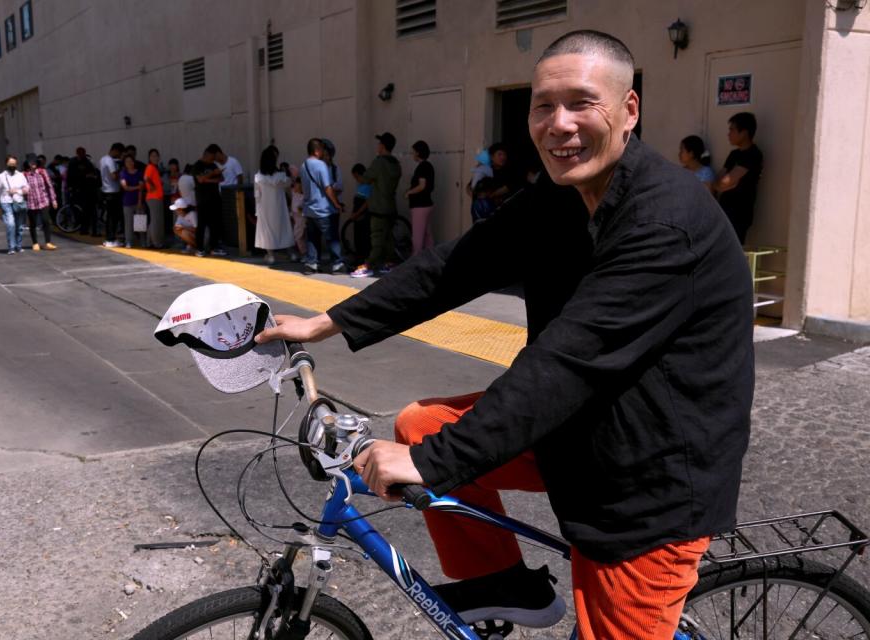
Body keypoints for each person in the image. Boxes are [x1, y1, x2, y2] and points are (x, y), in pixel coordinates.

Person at [256, 30, 753, 640]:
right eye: (544, 105)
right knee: (419, 423)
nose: (559, 124)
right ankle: (507, 584)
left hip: (647, 479)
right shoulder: (565, 197)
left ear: (628, 111)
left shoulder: (663, 221)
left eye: (581, 103)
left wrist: (428, 464)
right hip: (583, 429)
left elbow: (565, 365)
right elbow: (456, 265)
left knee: (432, 451)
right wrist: (327, 322)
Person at [350, 132, 402, 278]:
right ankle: (390, 263)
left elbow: (366, 178)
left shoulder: (379, 162)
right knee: (388, 238)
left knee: (377, 238)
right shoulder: (396, 163)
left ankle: (368, 266)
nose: (377, 146)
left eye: (379, 144)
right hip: (391, 206)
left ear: (383, 146)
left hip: (378, 206)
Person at [715, 112, 763, 245]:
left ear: (744, 132)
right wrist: (722, 184)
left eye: (732, 130)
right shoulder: (734, 154)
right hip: (723, 210)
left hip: (739, 214)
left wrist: (724, 184)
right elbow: (718, 181)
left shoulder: (753, 154)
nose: (728, 134)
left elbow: (726, 181)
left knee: (731, 253)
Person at [299, 138, 345, 274]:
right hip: (323, 209)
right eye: (321, 149)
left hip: (309, 209)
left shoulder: (303, 165)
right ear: (317, 150)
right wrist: (337, 204)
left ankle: (311, 264)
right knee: (332, 238)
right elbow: (327, 188)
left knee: (312, 238)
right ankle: (337, 264)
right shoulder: (320, 165)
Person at [253, 147, 295, 264]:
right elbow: (289, 184)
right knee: (285, 228)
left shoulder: (258, 177)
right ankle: (291, 253)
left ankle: (270, 255)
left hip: (264, 208)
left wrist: (257, 211)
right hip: (280, 207)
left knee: (267, 231)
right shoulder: (281, 176)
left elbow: (257, 195)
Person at [192, 145, 229, 257]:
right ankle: (199, 248)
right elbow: (200, 179)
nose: (213, 160)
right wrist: (212, 174)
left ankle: (214, 247)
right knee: (201, 224)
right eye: (212, 157)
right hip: (203, 199)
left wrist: (208, 179)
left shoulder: (213, 165)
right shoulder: (197, 166)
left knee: (215, 224)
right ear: (207, 154)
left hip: (215, 198)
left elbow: (221, 179)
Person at [0, 155, 30, 255]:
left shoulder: (20, 175)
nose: (12, 165)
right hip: (6, 202)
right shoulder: (1, 176)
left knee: (20, 226)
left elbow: (27, 189)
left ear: (16, 164)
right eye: (10, 164)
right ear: (6, 164)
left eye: (14, 164)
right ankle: (11, 247)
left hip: (19, 202)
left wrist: (17, 191)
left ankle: (18, 246)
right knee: (11, 224)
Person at [405, 140, 435, 256]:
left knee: (417, 237)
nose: (412, 155)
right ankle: (431, 259)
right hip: (427, 204)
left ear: (418, 153)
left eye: (413, 152)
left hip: (420, 206)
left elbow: (422, 185)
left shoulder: (422, 167)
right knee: (427, 235)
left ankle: (415, 262)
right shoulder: (428, 166)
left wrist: (409, 192)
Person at [24, 156, 58, 251]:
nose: (33, 163)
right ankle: (35, 243)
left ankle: (48, 242)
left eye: (34, 162)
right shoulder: (25, 174)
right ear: (28, 164)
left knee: (45, 221)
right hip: (31, 202)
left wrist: (53, 200)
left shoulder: (42, 172)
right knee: (33, 223)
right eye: (31, 162)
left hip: (43, 201)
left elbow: (49, 186)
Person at [67, 147, 100, 236]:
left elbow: (93, 174)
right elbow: (70, 176)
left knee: (89, 211)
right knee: (82, 211)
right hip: (79, 190)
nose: (81, 155)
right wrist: (70, 186)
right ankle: (84, 229)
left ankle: (90, 230)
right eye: (80, 153)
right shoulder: (73, 162)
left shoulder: (88, 162)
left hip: (88, 189)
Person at [100, 143, 125, 247]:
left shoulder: (103, 159)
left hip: (106, 191)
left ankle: (109, 238)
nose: (119, 156)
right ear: (115, 150)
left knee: (110, 217)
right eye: (119, 153)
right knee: (112, 217)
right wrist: (121, 171)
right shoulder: (110, 160)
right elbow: (114, 176)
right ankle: (111, 239)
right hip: (112, 192)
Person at [118, 154, 144, 248]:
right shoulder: (123, 173)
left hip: (138, 201)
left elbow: (142, 188)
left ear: (134, 162)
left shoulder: (139, 172)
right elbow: (125, 187)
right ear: (125, 163)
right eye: (127, 161)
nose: (129, 163)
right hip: (127, 201)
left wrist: (140, 201)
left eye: (131, 161)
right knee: (128, 223)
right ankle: (129, 241)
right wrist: (137, 187)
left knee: (140, 222)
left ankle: (142, 241)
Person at [349, 163, 372, 267]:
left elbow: (367, 203)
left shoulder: (368, 186)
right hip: (357, 217)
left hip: (362, 216)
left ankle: (363, 260)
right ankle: (358, 258)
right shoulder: (361, 186)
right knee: (358, 238)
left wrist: (357, 213)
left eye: (356, 177)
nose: (356, 180)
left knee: (363, 239)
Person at [144, 149, 166, 248]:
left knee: (153, 220)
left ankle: (150, 242)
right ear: (149, 158)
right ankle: (156, 243)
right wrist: (152, 186)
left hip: (154, 197)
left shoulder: (154, 168)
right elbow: (146, 178)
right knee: (155, 221)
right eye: (153, 156)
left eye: (157, 156)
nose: (155, 158)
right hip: (154, 197)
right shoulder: (151, 167)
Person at [289, 174, 307, 263]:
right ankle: (303, 253)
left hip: (301, 218)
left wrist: (301, 208)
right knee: (298, 236)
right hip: (295, 218)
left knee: (299, 236)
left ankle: (304, 254)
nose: (295, 186)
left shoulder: (304, 197)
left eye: (297, 185)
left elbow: (303, 209)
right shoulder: (294, 193)